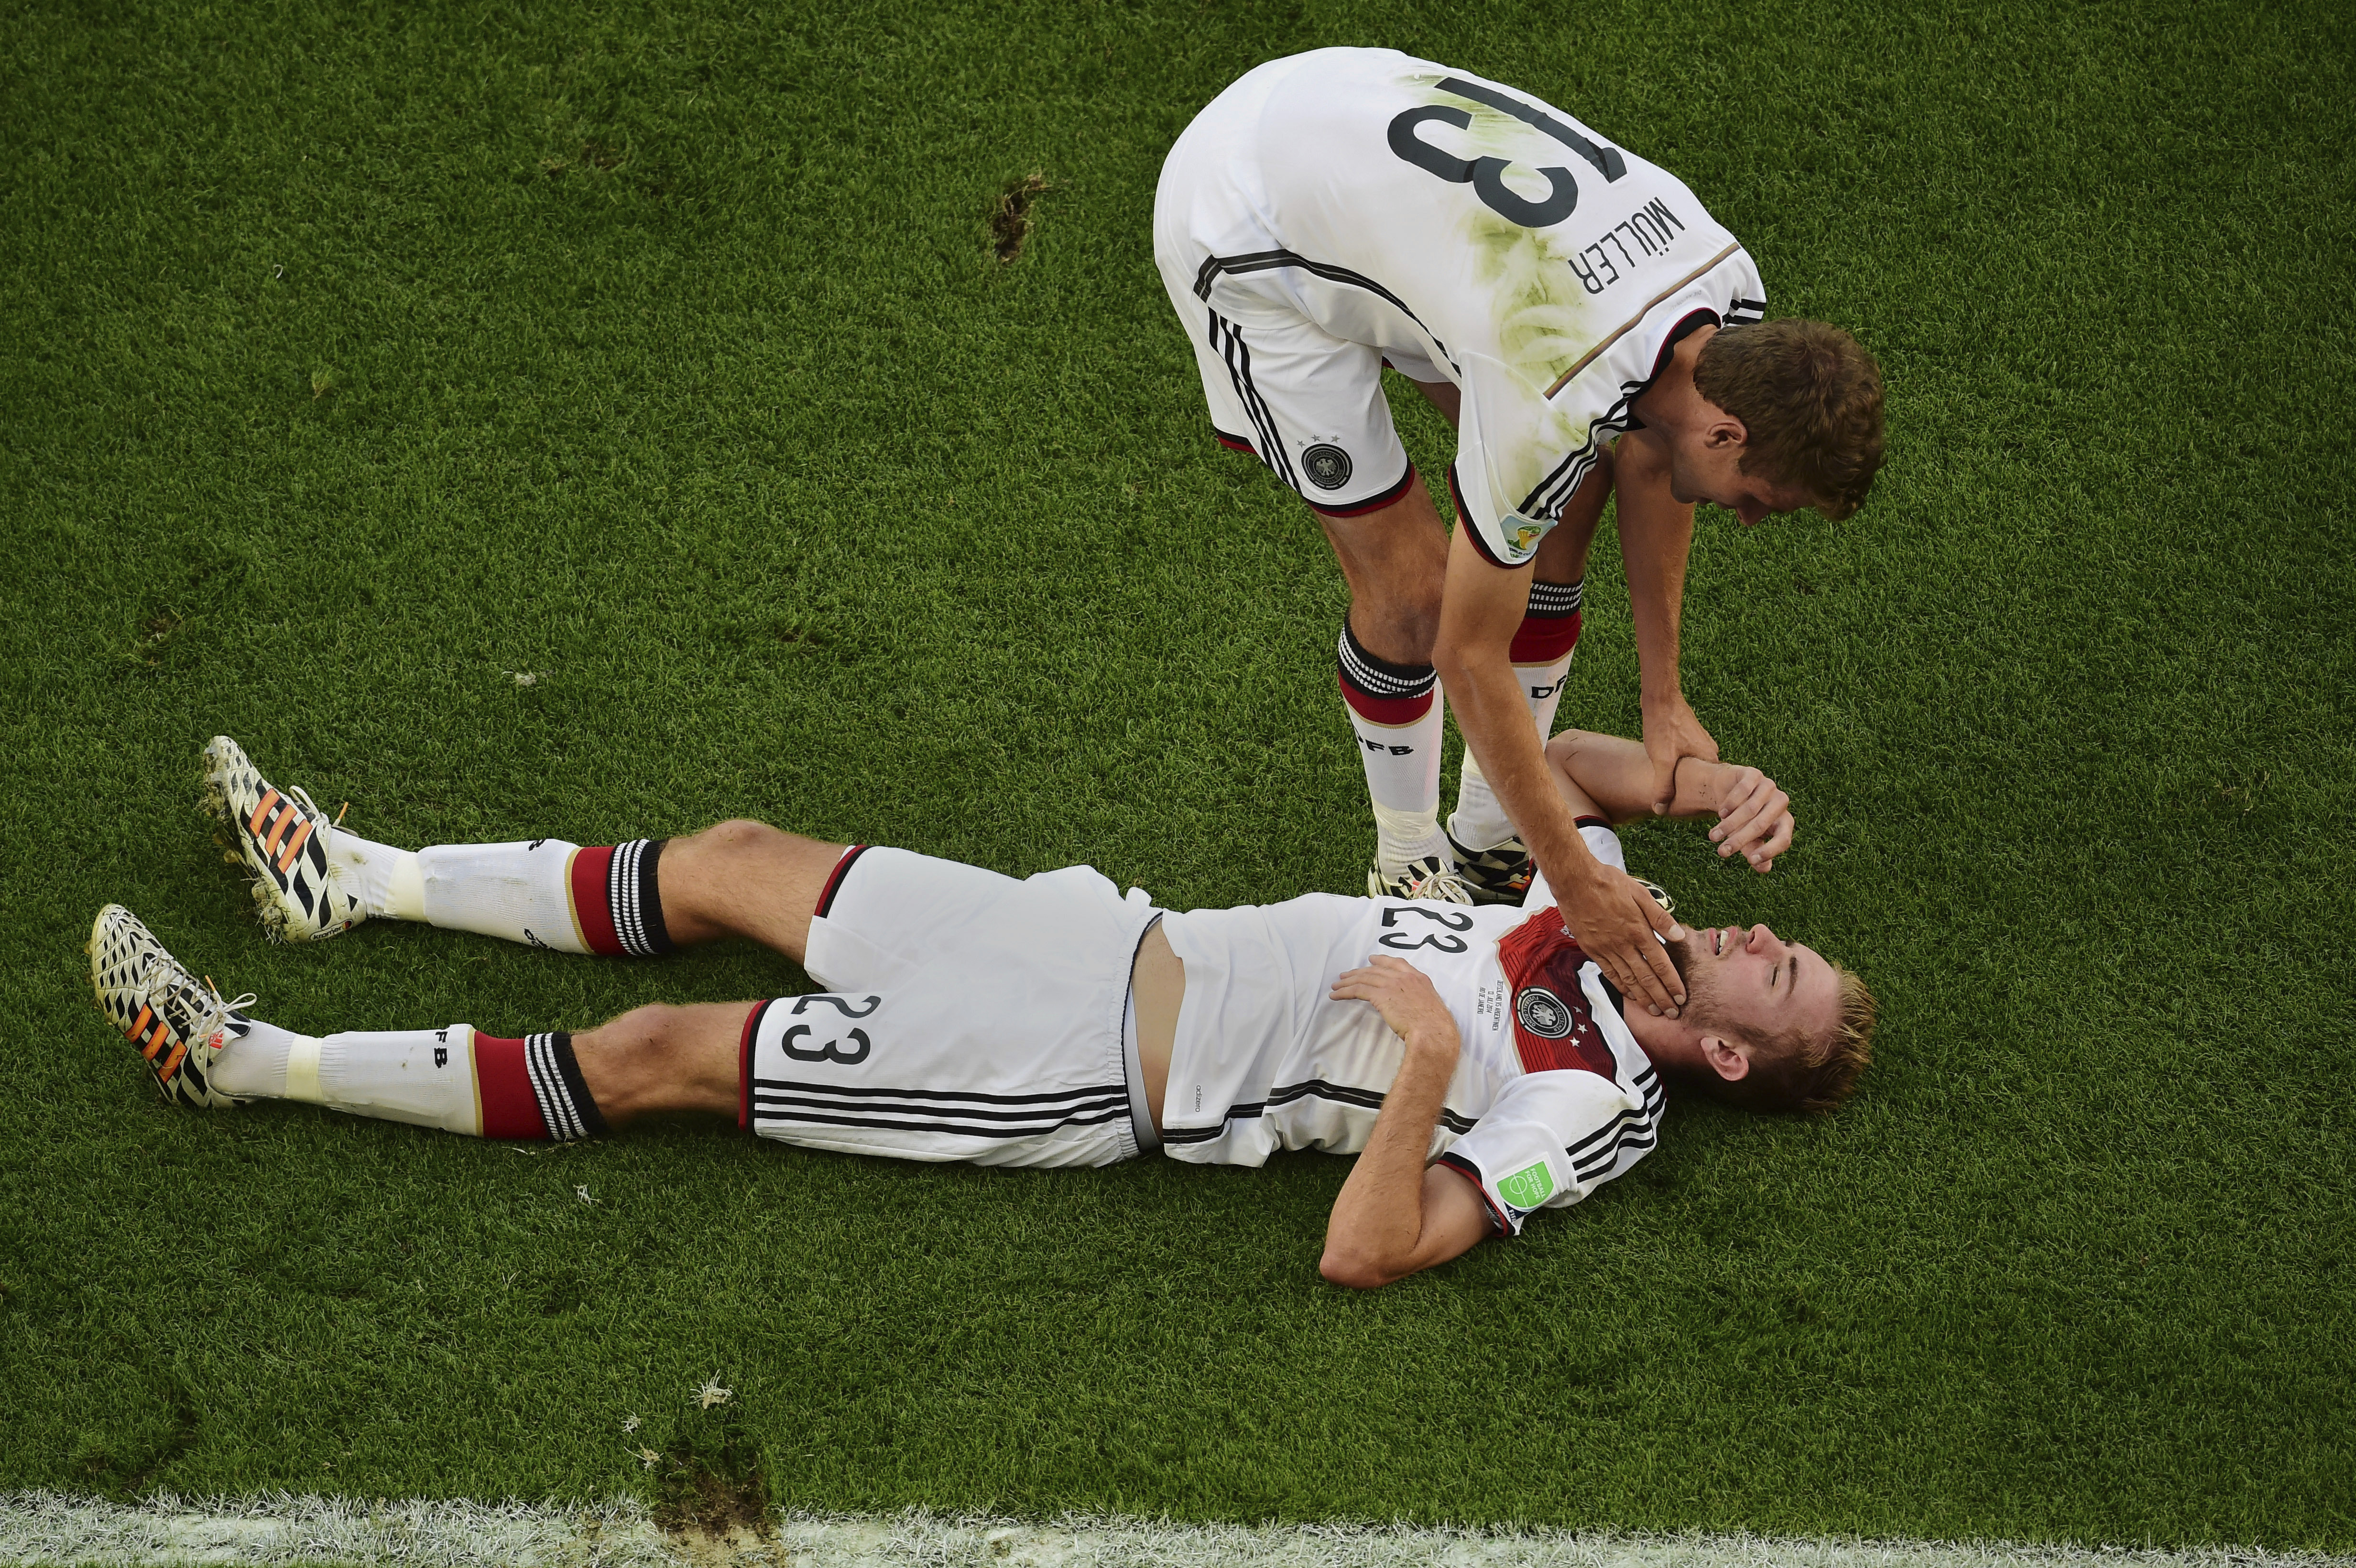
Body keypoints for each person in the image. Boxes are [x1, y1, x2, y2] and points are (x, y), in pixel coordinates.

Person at [89, 735, 1872, 1289]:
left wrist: (1417, 1059)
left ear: (1723, 1055)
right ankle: (354, 877)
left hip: (1059, 1067)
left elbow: (1368, 1251)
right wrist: (1663, 795)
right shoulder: (1595, 911)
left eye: (1765, 972)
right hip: (1079, 935)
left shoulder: (1590, 1119)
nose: (1747, 935)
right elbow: (1524, 760)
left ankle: (249, 1064)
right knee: (726, 857)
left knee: (661, 1060)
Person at [1153, 46, 1886, 1025]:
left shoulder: (1730, 298)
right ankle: (1407, 863)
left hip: (1351, 129)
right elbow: (1467, 652)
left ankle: (1493, 836)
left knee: (1560, 502)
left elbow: (1645, 454)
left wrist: (1664, 699)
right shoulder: (1558, 383)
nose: (1749, 519)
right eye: (1760, 496)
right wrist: (1575, 878)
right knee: (1417, 598)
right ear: (1728, 431)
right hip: (1248, 219)